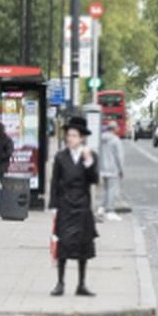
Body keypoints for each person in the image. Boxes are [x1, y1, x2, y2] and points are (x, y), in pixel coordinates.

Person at [50, 114, 98, 297]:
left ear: (82, 138)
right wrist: (53, 205)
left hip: (83, 206)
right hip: (65, 205)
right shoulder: (61, 157)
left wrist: (88, 162)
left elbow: (94, 180)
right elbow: (54, 182)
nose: (71, 139)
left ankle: (81, 284)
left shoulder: (90, 156)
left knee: (83, 246)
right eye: (69, 135)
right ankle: (60, 283)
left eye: (74, 136)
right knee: (63, 245)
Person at [98, 113, 128, 216]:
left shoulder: (100, 139)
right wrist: (121, 170)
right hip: (112, 168)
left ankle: (102, 207)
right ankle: (109, 209)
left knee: (105, 189)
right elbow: (119, 157)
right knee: (111, 189)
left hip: (102, 168)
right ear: (114, 129)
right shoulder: (116, 140)